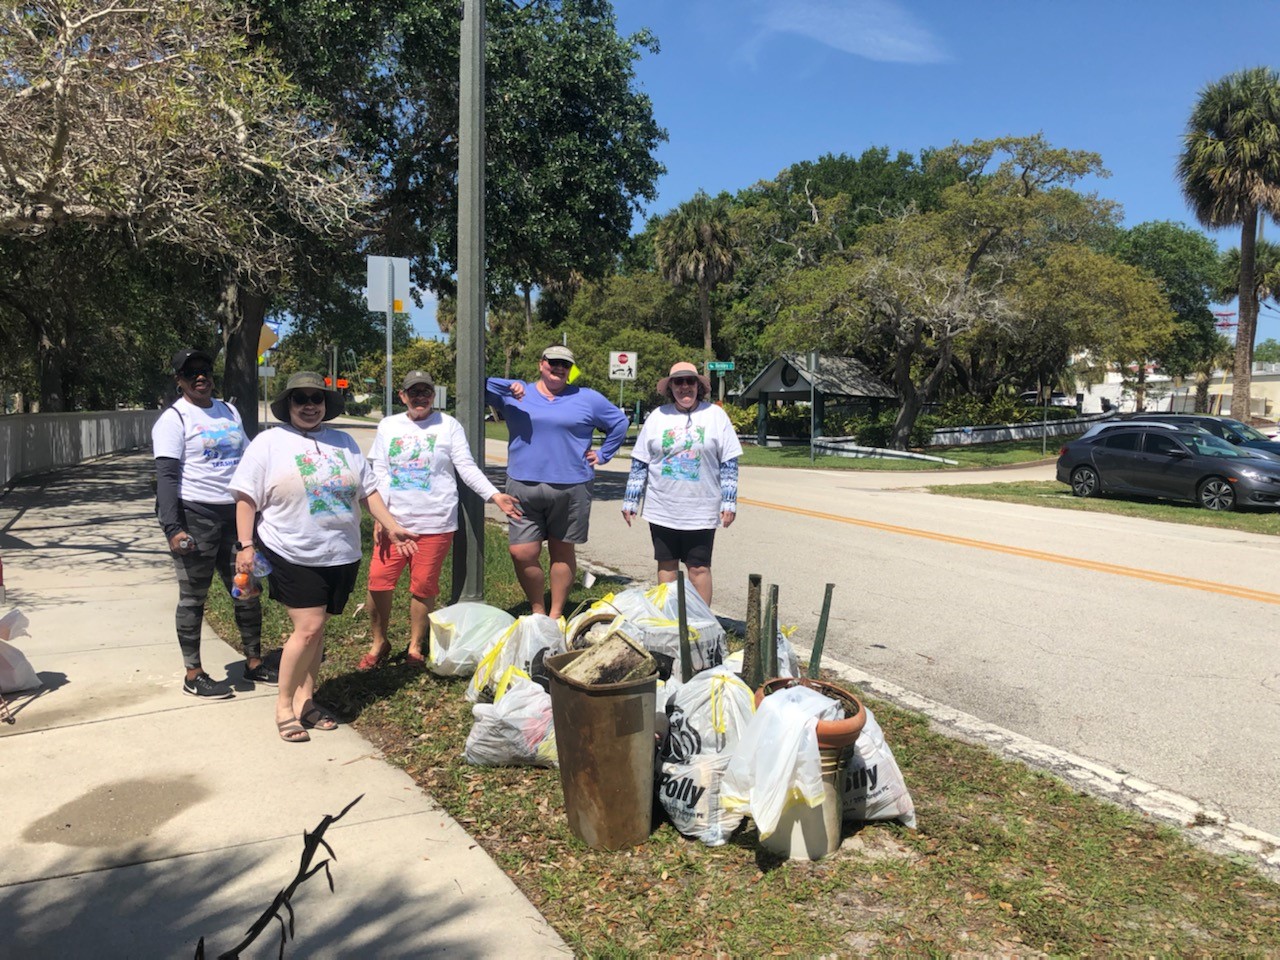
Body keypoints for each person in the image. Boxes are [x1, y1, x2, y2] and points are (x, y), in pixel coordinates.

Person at [229, 371, 416, 742]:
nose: (310, 406)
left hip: (340, 553)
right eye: (301, 399)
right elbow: (246, 497)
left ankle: (306, 700)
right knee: (309, 628)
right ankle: (285, 706)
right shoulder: (269, 442)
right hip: (291, 549)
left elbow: (369, 492)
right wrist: (245, 545)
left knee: (318, 631)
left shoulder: (343, 442)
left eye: (317, 399)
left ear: (326, 404)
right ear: (289, 405)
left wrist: (392, 525)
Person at [357, 370, 522, 671]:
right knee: (378, 584)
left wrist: (494, 495)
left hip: (435, 522)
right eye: (413, 392)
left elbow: (466, 467)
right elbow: (379, 471)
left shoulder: (449, 426)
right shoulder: (388, 425)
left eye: (426, 392)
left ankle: (415, 645)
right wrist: (381, 516)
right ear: (402, 396)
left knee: (423, 587)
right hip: (394, 524)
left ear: (434, 396)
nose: (420, 397)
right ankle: (380, 641)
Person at [152, 347, 276, 699]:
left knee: (247, 592)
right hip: (196, 517)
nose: (200, 376)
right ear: (180, 381)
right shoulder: (174, 420)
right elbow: (165, 478)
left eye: (205, 369)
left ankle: (254, 662)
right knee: (193, 598)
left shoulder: (229, 411)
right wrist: (173, 528)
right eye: (191, 372)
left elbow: (250, 459)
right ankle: (194, 673)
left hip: (235, 518)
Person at [486, 345, 628, 618]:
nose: (559, 368)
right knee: (521, 551)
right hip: (522, 485)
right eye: (554, 362)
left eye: (565, 364)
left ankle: (555, 614)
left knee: (562, 551)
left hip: (572, 486)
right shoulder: (518, 393)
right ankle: (537, 608)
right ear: (541, 364)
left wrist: (603, 453)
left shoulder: (587, 398)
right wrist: (508, 385)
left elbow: (619, 423)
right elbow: (477, 385)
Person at [621, 361, 742, 605]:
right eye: (679, 382)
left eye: (690, 382)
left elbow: (729, 463)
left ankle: (699, 624)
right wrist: (630, 499)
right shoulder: (657, 417)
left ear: (699, 386)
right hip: (662, 507)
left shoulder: (715, 415)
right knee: (666, 566)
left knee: (698, 568)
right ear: (671, 387)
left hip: (701, 509)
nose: (684, 387)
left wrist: (729, 502)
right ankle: (669, 621)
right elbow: (640, 462)